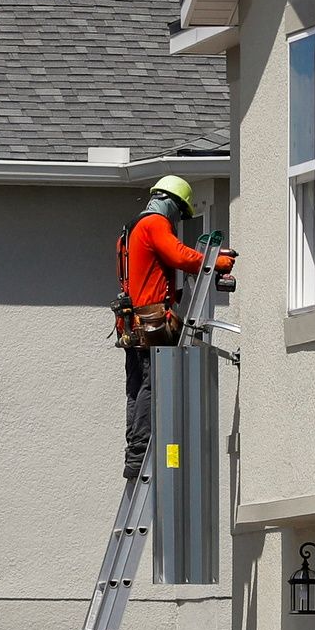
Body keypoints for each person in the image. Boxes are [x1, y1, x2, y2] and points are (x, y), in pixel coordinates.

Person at [117, 175, 234, 476]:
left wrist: (178, 293)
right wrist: (215, 263)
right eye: (180, 213)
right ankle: (141, 452)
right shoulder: (155, 224)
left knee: (136, 389)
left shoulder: (130, 230)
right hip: (151, 324)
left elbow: (148, 279)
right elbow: (177, 255)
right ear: (171, 202)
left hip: (135, 323)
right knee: (148, 387)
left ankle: (135, 451)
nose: (178, 221)